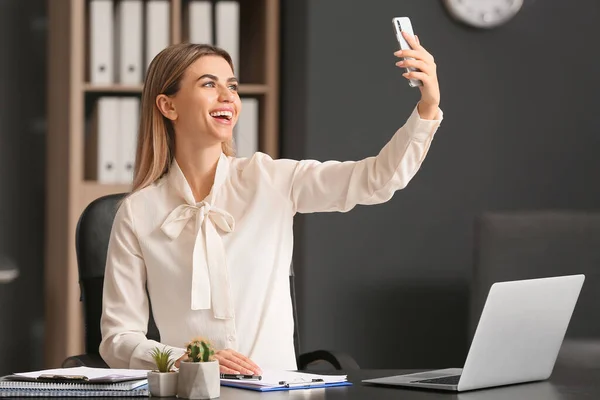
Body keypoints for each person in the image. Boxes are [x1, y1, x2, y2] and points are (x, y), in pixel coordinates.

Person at [99, 30, 443, 375]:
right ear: (168, 105)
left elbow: (377, 180)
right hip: (190, 392)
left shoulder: (271, 180)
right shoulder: (137, 212)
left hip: (276, 390)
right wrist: (188, 360)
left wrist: (427, 108)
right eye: (208, 85)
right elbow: (118, 339)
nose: (227, 97)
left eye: (232, 87)